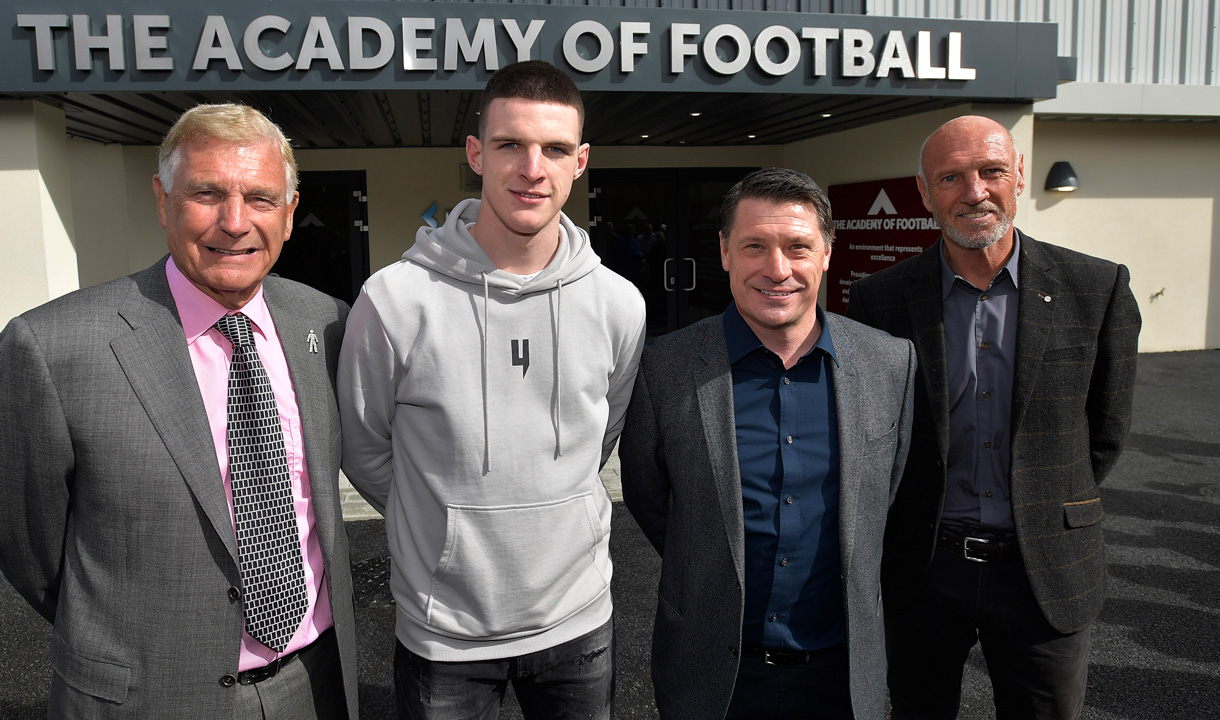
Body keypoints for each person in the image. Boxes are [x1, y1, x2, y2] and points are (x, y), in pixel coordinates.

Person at [0, 103, 358, 718]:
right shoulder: (54, 347)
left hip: (314, 684)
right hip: (144, 695)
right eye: (207, 194)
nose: (235, 222)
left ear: (292, 214)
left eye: (261, 198)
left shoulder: (327, 323)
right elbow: (28, 548)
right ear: (163, 201)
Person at [337, 60, 646, 719]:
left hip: (578, 622)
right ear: (476, 153)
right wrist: (442, 523)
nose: (532, 168)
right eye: (510, 144)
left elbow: (601, 437)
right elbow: (364, 448)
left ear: (581, 160)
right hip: (443, 633)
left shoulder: (619, 305)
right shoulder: (394, 300)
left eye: (555, 148)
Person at [846, 115, 1142, 719]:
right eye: (950, 177)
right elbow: (872, 436)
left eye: (991, 172)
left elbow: (1104, 433)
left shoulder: (1097, 287)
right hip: (924, 569)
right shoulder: (880, 299)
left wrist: (1042, 500)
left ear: (1019, 176)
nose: (974, 191)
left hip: (1046, 570)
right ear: (925, 194)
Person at [619, 167, 917, 720]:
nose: (777, 269)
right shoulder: (666, 368)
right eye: (755, 246)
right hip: (714, 674)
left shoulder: (890, 363)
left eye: (797, 247)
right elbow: (649, 497)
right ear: (726, 252)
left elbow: (889, 497)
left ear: (827, 253)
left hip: (843, 677)